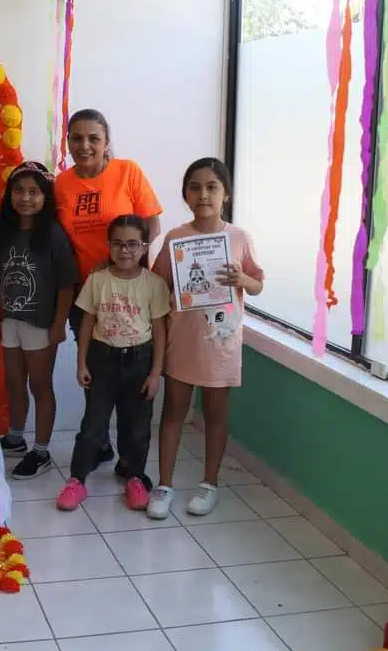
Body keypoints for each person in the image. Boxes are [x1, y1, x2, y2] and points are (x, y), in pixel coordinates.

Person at [147, 158, 264, 519]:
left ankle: (209, 483)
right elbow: (157, 284)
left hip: (221, 345)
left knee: (215, 414)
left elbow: (257, 283)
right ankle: (164, 485)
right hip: (182, 342)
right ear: (185, 195)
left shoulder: (240, 238)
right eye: (195, 187)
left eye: (212, 186)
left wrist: (242, 282)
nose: (203, 194)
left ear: (225, 193)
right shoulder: (176, 238)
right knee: (173, 413)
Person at [55, 109, 164, 475]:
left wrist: (127, 263)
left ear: (106, 143)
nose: (84, 145)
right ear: (67, 141)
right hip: (86, 295)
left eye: (93, 138)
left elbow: (152, 223)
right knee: (96, 375)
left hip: (131, 293)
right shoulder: (62, 184)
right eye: (76, 138)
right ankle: (100, 443)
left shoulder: (127, 172)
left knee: (134, 377)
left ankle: (130, 460)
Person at [56, 215, 170, 512]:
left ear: (144, 247)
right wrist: (81, 363)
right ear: (109, 246)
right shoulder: (97, 280)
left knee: (136, 427)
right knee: (93, 424)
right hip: (102, 360)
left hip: (140, 361)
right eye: (118, 244)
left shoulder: (154, 285)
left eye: (133, 244)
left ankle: (134, 476)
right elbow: (86, 323)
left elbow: (159, 330)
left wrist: (156, 373)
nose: (125, 251)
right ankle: (76, 480)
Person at [0, 162, 78, 479]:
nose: (25, 198)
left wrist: (59, 324)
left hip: (40, 323)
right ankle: (16, 437)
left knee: (40, 384)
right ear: (9, 195)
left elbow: (66, 284)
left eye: (34, 191)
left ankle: (42, 451)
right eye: (19, 190)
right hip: (10, 321)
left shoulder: (52, 234)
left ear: (45, 196)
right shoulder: (2, 232)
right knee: (13, 382)